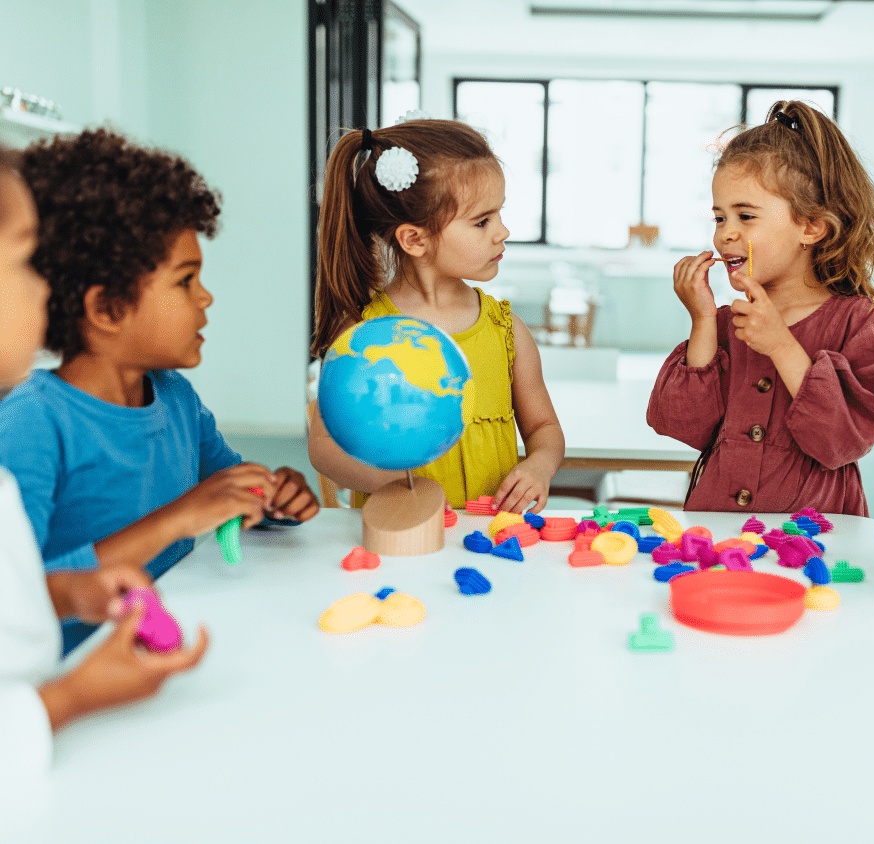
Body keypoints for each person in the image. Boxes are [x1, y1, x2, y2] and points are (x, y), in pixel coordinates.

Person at [0, 128, 319, 654]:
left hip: (162, 645)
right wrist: (178, 518)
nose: (206, 297)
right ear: (106, 309)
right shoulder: (32, 423)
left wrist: (272, 496)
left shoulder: (176, 400)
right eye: (185, 281)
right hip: (70, 669)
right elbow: (21, 591)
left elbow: (226, 493)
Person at [0, 146, 207, 778]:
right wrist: (73, 696)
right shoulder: (28, 424)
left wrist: (68, 593)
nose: (44, 285)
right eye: (24, 262)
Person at [647, 101, 874, 515]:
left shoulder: (860, 323)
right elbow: (684, 424)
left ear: (811, 226)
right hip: (720, 523)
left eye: (745, 216)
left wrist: (781, 346)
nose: (726, 234)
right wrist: (703, 321)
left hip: (814, 530)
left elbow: (844, 440)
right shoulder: (728, 323)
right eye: (718, 218)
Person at [308, 118, 564, 514]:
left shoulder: (505, 330)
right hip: (398, 536)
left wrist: (540, 466)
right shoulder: (362, 336)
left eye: (499, 214)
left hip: (493, 540)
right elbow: (324, 448)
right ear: (415, 239)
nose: (503, 231)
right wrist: (394, 484)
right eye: (482, 221)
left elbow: (543, 428)